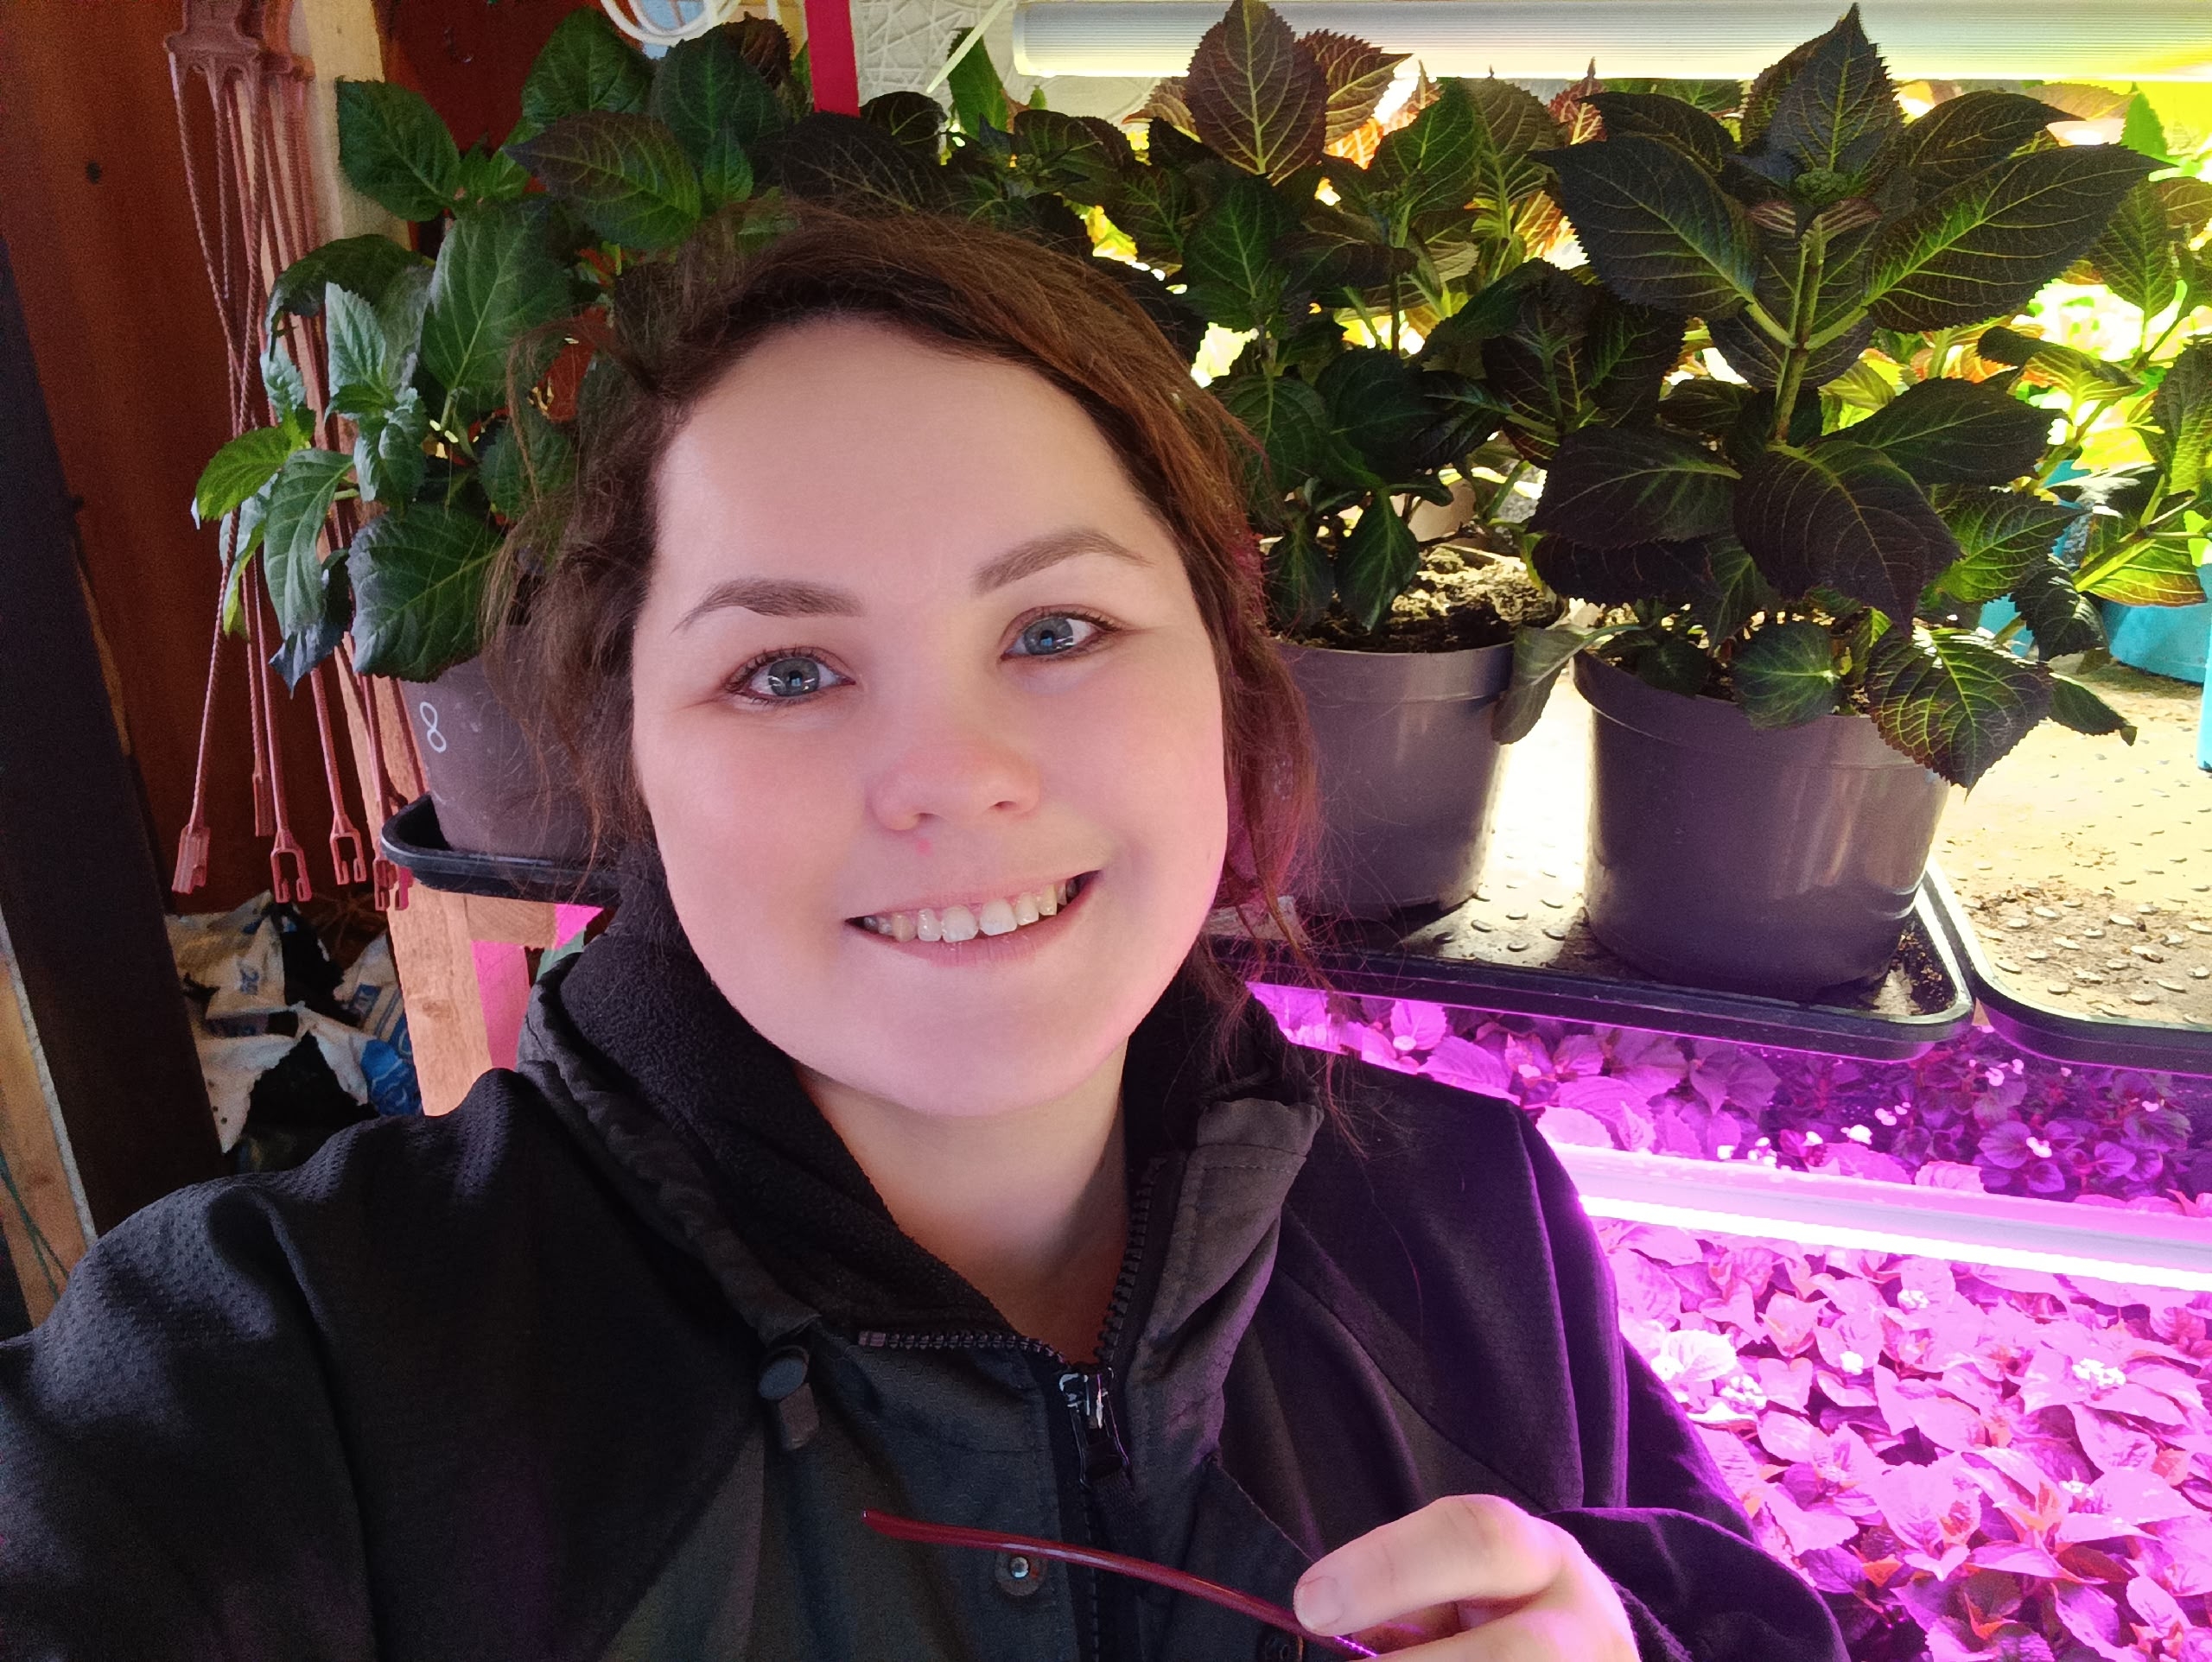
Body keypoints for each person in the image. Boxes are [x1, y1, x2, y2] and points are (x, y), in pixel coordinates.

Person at [0, 205, 1847, 1662]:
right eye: (786, 669)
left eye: (1054, 630)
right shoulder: (298, 1368)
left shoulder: (1468, 1226)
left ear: (1223, 677)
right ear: (630, 761)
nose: (951, 778)